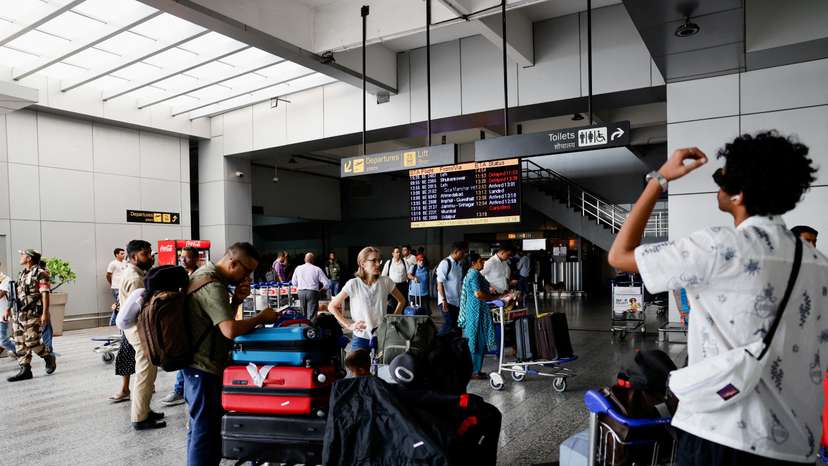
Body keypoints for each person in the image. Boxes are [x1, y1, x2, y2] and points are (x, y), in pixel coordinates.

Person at [607, 131, 826, 466]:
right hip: (797, 442)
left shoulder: (718, 247)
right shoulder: (818, 264)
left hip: (721, 434)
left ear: (739, 194)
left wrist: (660, 179)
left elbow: (620, 254)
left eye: (721, 177)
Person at [183, 242, 279, 466]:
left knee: (201, 426)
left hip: (200, 364)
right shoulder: (212, 284)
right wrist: (261, 318)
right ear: (232, 262)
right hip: (202, 367)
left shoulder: (207, 276)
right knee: (204, 430)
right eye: (246, 270)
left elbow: (214, 321)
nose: (247, 276)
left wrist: (236, 300)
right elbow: (229, 330)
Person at [119, 240, 165, 429]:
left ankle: (144, 409)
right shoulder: (135, 278)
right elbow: (142, 309)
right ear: (134, 257)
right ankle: (139, 417)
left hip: (136, 329)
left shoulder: (137, 273)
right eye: (145, 254)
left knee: (147, 372)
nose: (150, 257)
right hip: (139, 331)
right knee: (145, 373)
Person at [329, 246, 405, 353]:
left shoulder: (386, 281)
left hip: (382, 336)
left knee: (381, 368)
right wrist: (349, 325)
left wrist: (392, 319)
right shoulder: (353, 284)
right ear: (363, 264)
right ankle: (347, 344)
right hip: (360, 337)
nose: (378, 264)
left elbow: (401, 300)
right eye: (374, 261)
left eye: (379, 260)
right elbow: (331, 306)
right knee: (357, 368)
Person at [7, 249, 56, 382]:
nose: (20, 257)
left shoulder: (41, 273)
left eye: (23, 255)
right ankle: (25, 370)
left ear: (29, 258)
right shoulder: (22, 274)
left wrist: (45, 313)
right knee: (19, 342)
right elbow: (16, 295)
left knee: (32, 341)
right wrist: (9, 309)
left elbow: (45, 293)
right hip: (19, 313)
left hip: (33, 313)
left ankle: (48, 356)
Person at [161, 246, 201, 407]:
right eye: (181, 257)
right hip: (183, 323)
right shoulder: (182, 276)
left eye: (187, 257)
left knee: (185, 359)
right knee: (183, 358)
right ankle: (180, 389)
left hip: (195, 324)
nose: (183, 260)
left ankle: (180, 390)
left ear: (197, 259)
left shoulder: (200, 277)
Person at [459, 253, 507, 380]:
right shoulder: (473, 274)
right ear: (473, 263)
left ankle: (475, 370)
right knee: (476, 341)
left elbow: (486, 288)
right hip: (475, 312)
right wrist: (494, 298)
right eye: (480, 261)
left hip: (476, 310)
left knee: (476, 341)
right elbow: (478, 294)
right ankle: (474, 371)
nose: (483, 262)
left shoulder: (474, 273)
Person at [436, 242, 467, 335]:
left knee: (457, 326)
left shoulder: (458, 265)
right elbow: (439, 284)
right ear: (456, 252)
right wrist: (444, 301)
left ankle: (454, 346)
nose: (464, 255)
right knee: (449, 323)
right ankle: (437, 342)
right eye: (462, 253)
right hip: (447, 301)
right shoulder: (445, 263)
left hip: (456, 302)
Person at [291, 252, 330, 320]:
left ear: (305, 259)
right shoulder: (317, 269)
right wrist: (322, 290)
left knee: (303, 313)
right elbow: (327, 283)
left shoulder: (298, 268)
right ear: (313, 260)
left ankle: (304, 327)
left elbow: (293, 282)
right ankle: (311, 329)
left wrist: (299, 287)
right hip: (313, 292)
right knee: (312, 314)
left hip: (301, 292)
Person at [381, 247, 410, 312]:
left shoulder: (404, 261)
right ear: (393, 254)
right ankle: (393, 320)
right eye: (396, 252)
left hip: (403, 286)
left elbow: (408, 273)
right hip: (392, 286)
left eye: (399, 252)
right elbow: (383, 276)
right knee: (392, 305)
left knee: (403, 304)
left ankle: (402, 320)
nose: (398, 254)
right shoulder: (389, 262)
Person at [106, 247, 128, 326]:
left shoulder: (125, 263)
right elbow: (108, 275)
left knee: (121, 304)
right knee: (120, 303)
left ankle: (116, 320)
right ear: (116, 255)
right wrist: (112, 283)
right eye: (121, 254)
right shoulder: (113, 264)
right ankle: (113, 320)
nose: (123, 255)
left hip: (124, 287)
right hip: (116, 287)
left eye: (124, 253)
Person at [0, 261, 18, 359]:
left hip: (2, 315)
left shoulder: (5, 279)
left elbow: (1, 294)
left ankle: (21, 351)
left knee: (3, 341)